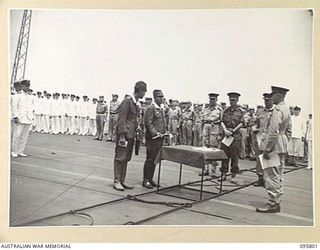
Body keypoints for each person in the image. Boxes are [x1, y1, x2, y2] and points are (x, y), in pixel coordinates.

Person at [256, 86, 291, 213]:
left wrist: (267, 149)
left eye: (273, 95)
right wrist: (284, 142)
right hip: (281, 144)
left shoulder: (277, 110)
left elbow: (272, 131)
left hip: (273, 146)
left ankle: (272, 203)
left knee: (271, 175)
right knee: (279, 174)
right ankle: (277, 200)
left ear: (279, 96)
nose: (271, 97)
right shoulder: (286, 108)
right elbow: (289, 130)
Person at [113, 81, 147, 191]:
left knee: (126, 157)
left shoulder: (135, 102)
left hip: (131, 134)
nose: (144, 94)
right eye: (144, 91)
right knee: (120, 157)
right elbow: (121, 119)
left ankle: (122, 180)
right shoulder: (127, 101)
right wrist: (122, 136)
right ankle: (117, 180)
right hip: (125, 134)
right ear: (140, 90)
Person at [142, 89, 168, 189]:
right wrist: (155, 133)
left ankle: (150, 178)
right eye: (159, 97)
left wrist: (165, 132)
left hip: (159, 138)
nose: (161, 98)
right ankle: (145, 180)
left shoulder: (161, 109)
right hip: (152, 138)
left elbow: (162, 123)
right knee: (150, 159)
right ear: (155, 97)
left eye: (162, 96)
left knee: (155, 159)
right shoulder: (151, 108)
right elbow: (148, 123)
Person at [220, 92, 245, 184]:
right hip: (226, 134)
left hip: (235, 135)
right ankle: (223, 173)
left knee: (234, 156)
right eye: (230, 100)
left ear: (237, 100)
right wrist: (225, 130)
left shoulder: (240, 111)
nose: (232, 102)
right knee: (224, 155)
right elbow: (222, 121)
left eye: (233, 100)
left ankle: (233, 175)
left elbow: (241, 123)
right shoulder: (226, 111)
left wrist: (233, 131)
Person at [251, 93, 275, 187]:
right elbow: (254, 123)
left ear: (272, 100)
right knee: (259, 159)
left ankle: (269, 179)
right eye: (265, 100)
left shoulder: (276, 112)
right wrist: (254, 129)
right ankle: (260, 178)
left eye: (268, 100)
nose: (266, 102)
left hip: (271, 139)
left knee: (270, 159)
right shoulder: (261, 112)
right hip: (261, 138)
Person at [200, 93, 222, 177]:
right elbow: (202, 120)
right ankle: (205, 169)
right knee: (205, 148)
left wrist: (220, 134)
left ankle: (213, 170)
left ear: (216, 100)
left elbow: (221, 122)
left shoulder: (219, 110)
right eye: (210, 99)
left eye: (213, 99)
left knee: (213, 149)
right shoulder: (205, 109)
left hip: (214, 127)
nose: (211, 101)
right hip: (206, 126)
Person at [11, 80, 34, 158]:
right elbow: (14, 107)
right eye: (26, 86)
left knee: (24, 136)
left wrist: (32, 118)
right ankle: (14, 151)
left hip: (28, 118)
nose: (28, 88)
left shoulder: (29, 97)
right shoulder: (17, 95)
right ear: (22, 86)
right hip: (20, 118)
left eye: (28, 86)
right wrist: (15, 116)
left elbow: (31, 108)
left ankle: (20, 151)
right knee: (17, 135)